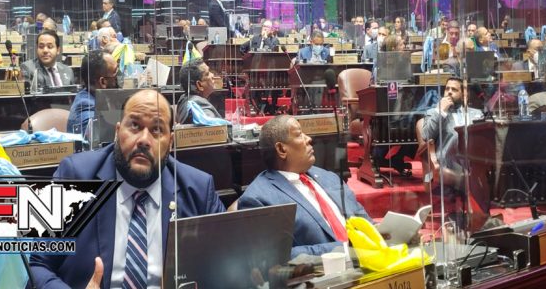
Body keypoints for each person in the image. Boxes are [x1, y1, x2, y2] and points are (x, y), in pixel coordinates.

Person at [30, 89, 225, 288]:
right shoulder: (74, 176)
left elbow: (224, 265)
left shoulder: (199, 190)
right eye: (134, 125)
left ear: (170, 142)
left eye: (157, 129)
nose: (144, 140)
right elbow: (36, 264)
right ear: (117, 131)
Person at [238, 115, 372, 258]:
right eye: (299, 134)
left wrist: (381, 233)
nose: (309, 139)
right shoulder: (259, 199)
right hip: (327, 270)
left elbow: (364, 220)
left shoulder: (329, 178)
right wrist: (344, 250)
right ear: (281, 149)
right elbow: (274, 256)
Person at [421, 77, 484, 188]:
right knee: (458, 136)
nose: (449, 92)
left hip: (472, 161)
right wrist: (440, 111)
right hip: (447, 162)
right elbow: (426, 136)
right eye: (447, 89)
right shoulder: (432, 113)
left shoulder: (477, 114)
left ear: (464, 95)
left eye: (454, 89)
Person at [67, 49, 118, 136]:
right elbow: (100, 140)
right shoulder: (87, 109)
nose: (119, 75)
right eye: (115, 72)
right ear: (103, 82)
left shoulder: (97, 96)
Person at [176, 59, 222, 124]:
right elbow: (212, 127)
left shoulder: (183, 99)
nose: (212, 75)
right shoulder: (199, 104)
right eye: (207, 74)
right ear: (199, 85)